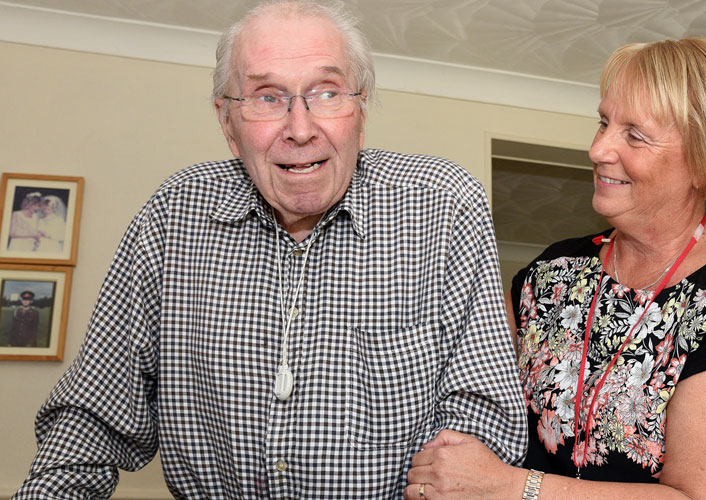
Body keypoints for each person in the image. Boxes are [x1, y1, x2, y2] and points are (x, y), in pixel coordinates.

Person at [14, 1, 526, 498]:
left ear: (360, 110)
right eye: (267, 97)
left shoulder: (443, 204)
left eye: (327, 93)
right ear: (227, 123)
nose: (300, 130)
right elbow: (93, 416)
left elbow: (481, 422)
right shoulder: (174, 212)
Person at [405, 38, 706, 500]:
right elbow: (467, 402)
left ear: (703, 160)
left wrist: (511, 487)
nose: (597, 149)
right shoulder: (550, 271)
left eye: (634, 135)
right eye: (604, 123)